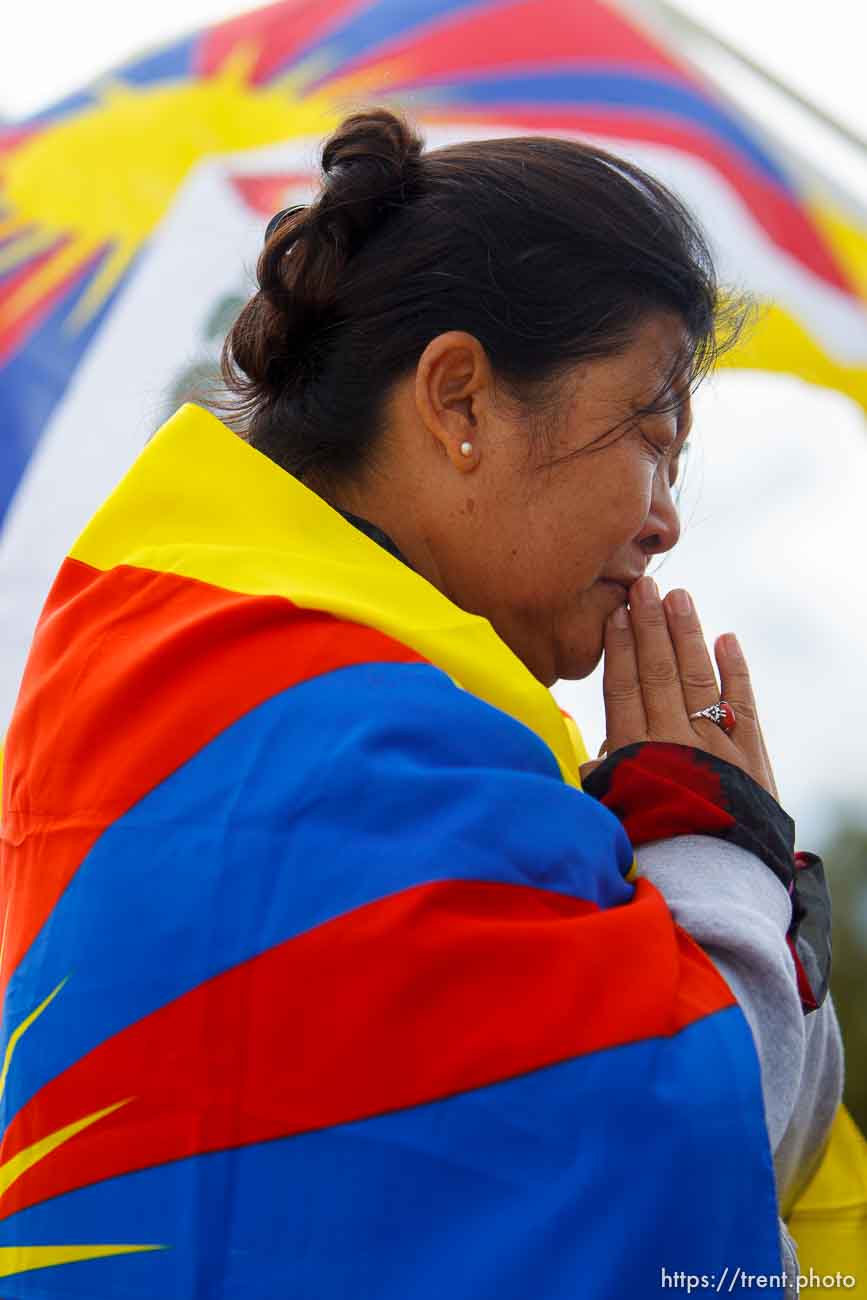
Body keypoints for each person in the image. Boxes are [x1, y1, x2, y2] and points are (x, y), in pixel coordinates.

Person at [0, 107, 842, 1298]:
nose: (666, 517)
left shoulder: (166, 673)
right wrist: (723, 861)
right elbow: (683, 1164)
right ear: (458, 400)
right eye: (650, 432)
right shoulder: (360, 738)